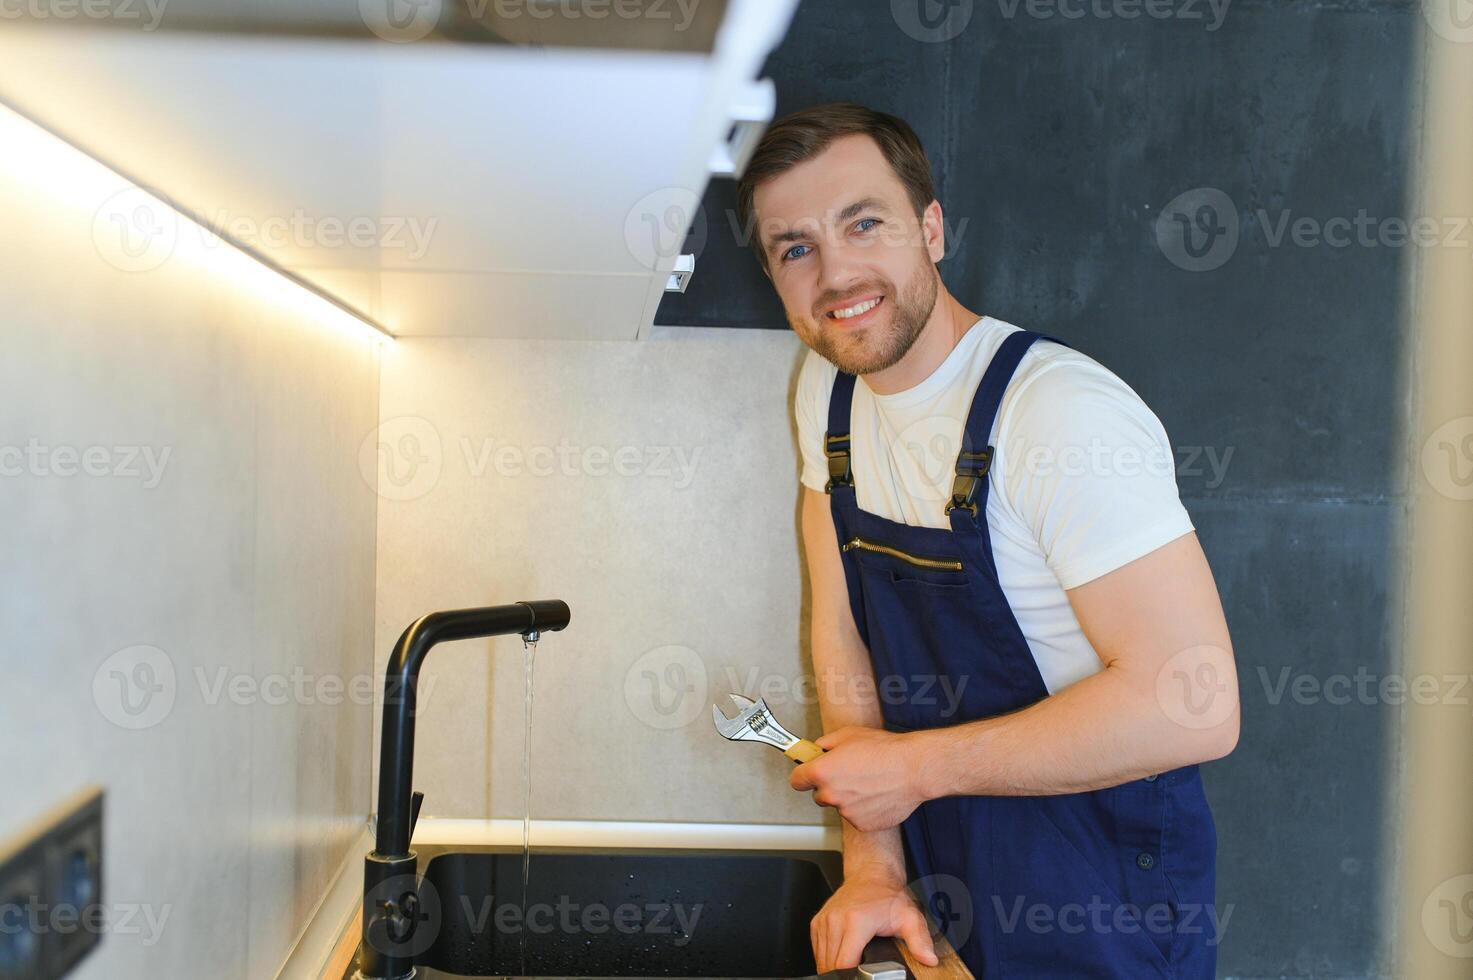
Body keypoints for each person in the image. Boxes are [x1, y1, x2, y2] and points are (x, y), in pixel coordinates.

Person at [734, 101, 1240, 978]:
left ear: (929, 228)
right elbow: (842, 633)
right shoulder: (830, 390)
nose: (835, 273)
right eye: (796, 247)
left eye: (864, 223)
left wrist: (915, 770)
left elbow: (1192, 705)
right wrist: (872, 867)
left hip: (1101, 892)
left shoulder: (1057, 413)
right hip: (950, 880)